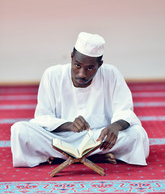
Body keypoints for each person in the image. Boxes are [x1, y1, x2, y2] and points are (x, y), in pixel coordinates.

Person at [11, 32, 149, 167]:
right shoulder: (52, 75)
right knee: (20, 130)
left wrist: (116, 126)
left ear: (99, 65)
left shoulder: (111, 74)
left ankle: (64, 157)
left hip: (99, 139)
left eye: (90, 68)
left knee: (137, 134)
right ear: (71, 58)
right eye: (77, 65)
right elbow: (43, 117)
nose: (82, 74)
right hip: (61, 139)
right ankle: (94, 157)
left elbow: (124, 109)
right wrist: (69, 125)